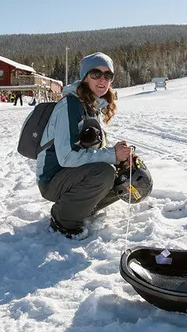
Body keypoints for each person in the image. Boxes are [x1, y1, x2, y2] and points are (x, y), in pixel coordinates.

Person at [37, 52, 134, 238]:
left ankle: (80, 208)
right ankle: (63, 218)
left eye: (108, 75)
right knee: (104, 172)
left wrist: (119, 159)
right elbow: (67, 157)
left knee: (124, 175)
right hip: (53, 179)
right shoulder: (71, 105)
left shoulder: (92, 106)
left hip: (72, 176)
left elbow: (94, 149)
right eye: (96, 74)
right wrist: (112, 155)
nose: (102, 79)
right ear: (84, 77)